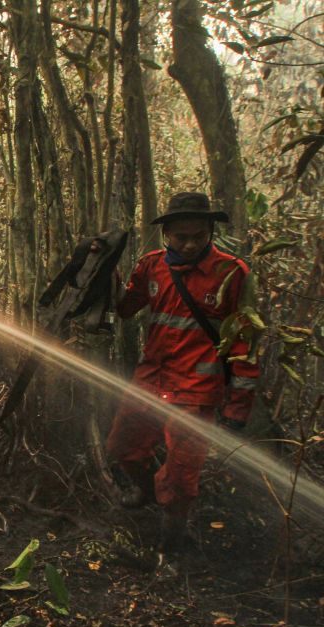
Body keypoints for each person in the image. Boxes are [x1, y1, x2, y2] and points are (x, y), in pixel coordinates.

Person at [106, 192, 259, 553]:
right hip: (151, 380)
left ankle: (170, 550)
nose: (190, 245)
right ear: (166, 235)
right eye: (181, 237)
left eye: (199, 237)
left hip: (197, 390)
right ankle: (146, 492)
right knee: (122, 447)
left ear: (210, 232)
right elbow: (126, 309)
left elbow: (244, 345)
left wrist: (237, 409)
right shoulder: (150, 266)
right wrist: (106, 277)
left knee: (181, 478)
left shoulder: (232, 273)